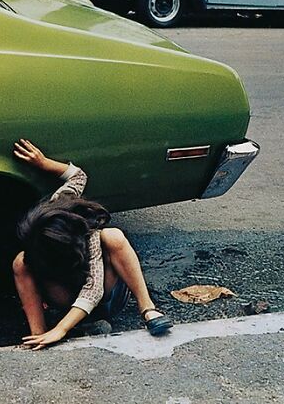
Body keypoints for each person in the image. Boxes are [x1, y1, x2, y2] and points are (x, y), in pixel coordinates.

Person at [11, 139, 173, 350]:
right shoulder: (59, 203)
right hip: (64, 299)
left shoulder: (90, 238)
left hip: (105, 298)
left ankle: (148, 308)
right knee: (21, 261)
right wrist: (43, 163)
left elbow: (93, 290)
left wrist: (61, 329)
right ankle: (39, 333)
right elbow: (78, 176)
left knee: (114, 236)